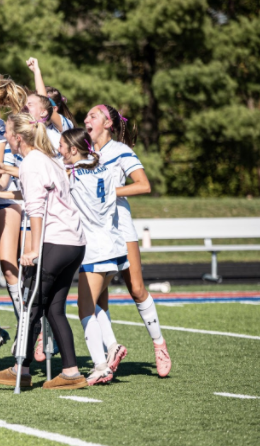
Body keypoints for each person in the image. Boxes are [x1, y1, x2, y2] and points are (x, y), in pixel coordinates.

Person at [0, 113, 88, 390]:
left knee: (31, 308)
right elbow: (34, 195)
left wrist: (34, 249)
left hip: (54, 242)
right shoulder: (46, 160)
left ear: (17, 137)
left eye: (7, 133)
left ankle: (22, 368)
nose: (5, 137)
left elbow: (35, 209)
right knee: (54, 309)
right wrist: (0, 195)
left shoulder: (31, 163)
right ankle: (70, 372)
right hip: (73, 243)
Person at [85, 104, 172, 377]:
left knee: (136, 288)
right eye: (86, 115)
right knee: (97, 296)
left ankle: (159, 343)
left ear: (108, 123)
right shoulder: (84, 154)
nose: (86, 119)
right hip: (95, 231)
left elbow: (143, 184)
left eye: (93, 115)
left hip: (120, 228)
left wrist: (109, 192)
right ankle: (110, 353)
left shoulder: (120, 151)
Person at [60, 128, 128, 385]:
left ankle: (101, 366)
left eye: (62, 146)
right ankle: (112, 346)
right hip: (114, 243)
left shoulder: (73, 174)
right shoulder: (104, 168)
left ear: (74, 150)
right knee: (96, 304)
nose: (59, 150)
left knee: (84, 309)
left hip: (94, 248)